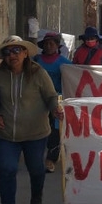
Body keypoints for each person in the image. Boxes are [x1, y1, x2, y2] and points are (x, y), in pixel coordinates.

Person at [0, 36, 63, 204]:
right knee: (7, 170)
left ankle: (36, 196)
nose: (12, 55)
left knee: (36, 169)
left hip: (35, 133)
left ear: (25, 53)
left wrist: (55, 110)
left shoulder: (38, 73)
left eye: (17, 50)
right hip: (6, 134)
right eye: (8, 52)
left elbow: (51, 97)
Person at [32, 32, 71, 172]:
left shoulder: (65, 64)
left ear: (57, 46)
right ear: (43, 45)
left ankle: (51, 159)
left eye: (52, 43)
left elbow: (73, 79)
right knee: (40, 129)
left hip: (57, 100)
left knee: (55, 131)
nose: (49, 46)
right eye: (46, 43)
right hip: (38, 101)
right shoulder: (35, 61)